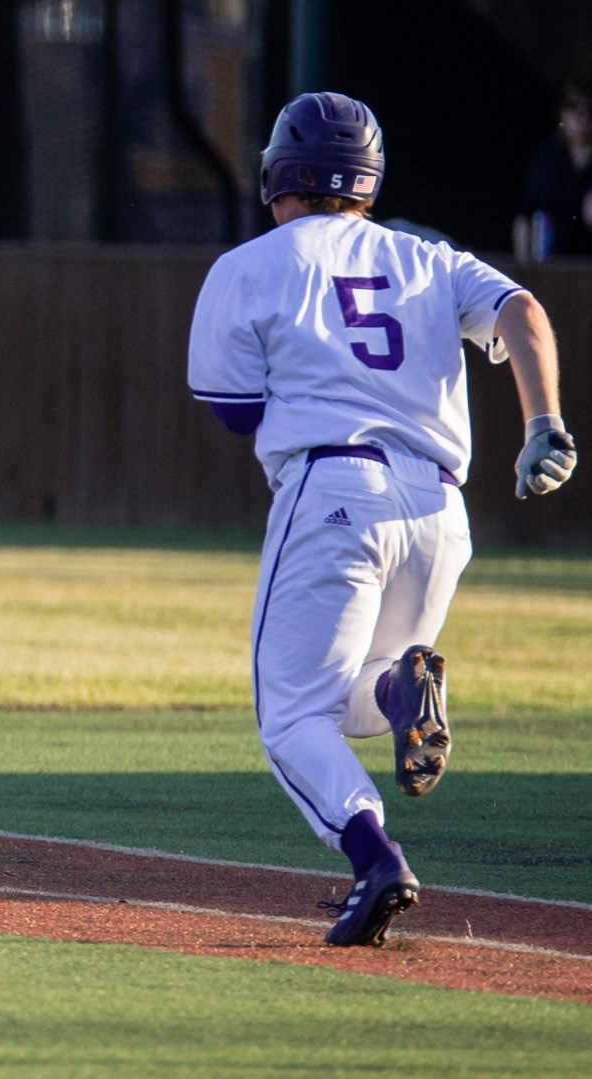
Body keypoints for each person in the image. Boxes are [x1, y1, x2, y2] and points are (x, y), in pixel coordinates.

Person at [187, 93, 578, 947]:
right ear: (368, 180)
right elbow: (524, 312)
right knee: (354, 697)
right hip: (441, 505)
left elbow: (232, 409)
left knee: (290, 717)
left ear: (276, 176)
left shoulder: (249, 265)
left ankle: (374, 859)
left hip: (335, 488)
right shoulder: (426, 257)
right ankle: (406, 687)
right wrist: (543, 419)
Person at [518, 61, 592, 259]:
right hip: (549, 262)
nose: (581, 118)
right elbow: (526, 214)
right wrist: (524, 267)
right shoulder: (548, 157)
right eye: (573, 107)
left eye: (589, 110)